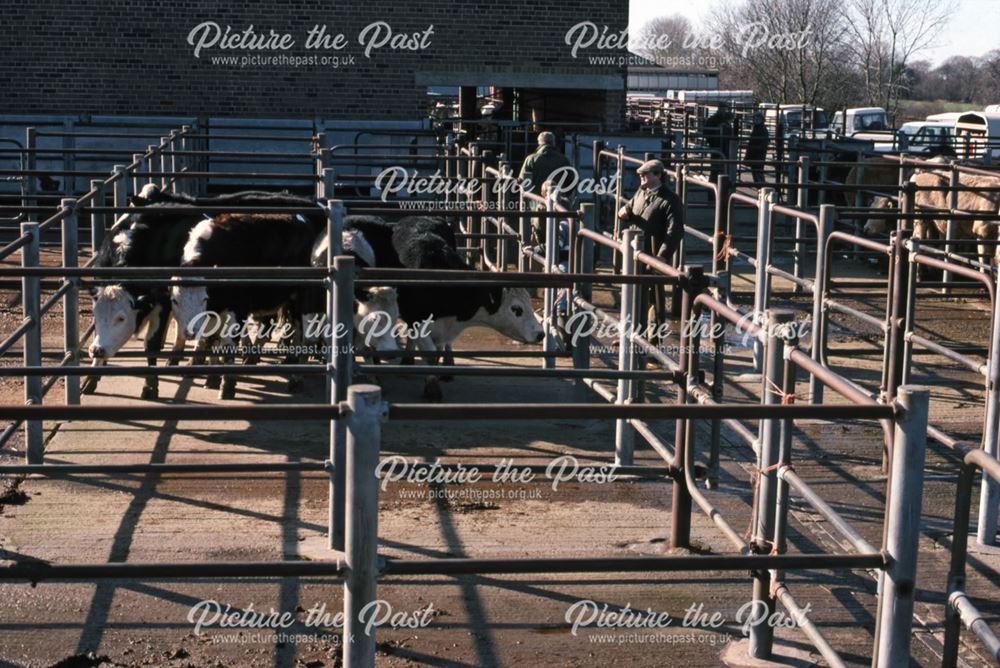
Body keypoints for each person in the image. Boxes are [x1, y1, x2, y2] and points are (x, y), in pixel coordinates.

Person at [617, 160, 684, 335]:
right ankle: (631, 332)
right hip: (635, 249)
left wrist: (662, 255)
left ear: (658, 175)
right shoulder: (641, 192)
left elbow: (675, 230)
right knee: (632, 289)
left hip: (653, 250)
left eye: (645, 174)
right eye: (640, 174)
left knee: (654, 295)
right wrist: (624, 212)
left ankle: (654, 338)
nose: (641, 177)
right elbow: (630, 207)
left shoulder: (670, 200)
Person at [519, 131, 571, 196]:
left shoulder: (530, 159)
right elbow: (572, 179)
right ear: (553, 143)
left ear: (539, 143)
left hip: (536, 200)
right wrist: (564, 194)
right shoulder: (563, 159)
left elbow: (522, 180)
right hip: (557, 199)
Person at [703, 102, 733, 181]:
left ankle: (717, 185)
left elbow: (706, 133)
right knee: (718, 167)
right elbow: (707, 133)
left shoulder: (719, 120)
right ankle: (717, 185)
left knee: (719, 166)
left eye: (724, 109)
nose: (724, 110)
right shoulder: (715, 120)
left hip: (721, 145)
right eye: (722, 108)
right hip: (718, 145)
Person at [745, 112, 770, 186]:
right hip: (756, 152)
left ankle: (761, 186)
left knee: (757, 170)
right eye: (755, 118)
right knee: (756, 170)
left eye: (757, 118)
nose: (756, 120)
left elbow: (763, 142)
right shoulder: (759, 128)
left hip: (757, 153)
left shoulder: (761, 129)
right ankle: (760, 186)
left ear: (761, 120)